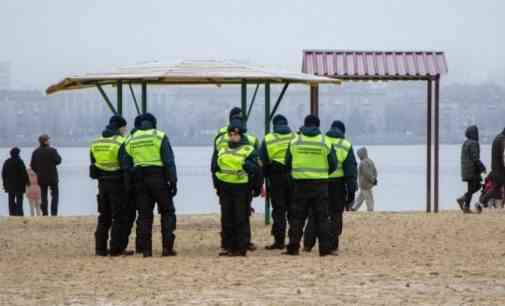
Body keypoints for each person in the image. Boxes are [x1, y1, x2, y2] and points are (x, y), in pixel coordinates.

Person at [124, 113, 178, 257]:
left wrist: (129, 185)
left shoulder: (130, 138)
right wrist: (173, 181)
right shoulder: (159, 136)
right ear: (154, 123)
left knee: (144, 216)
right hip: (158, 178)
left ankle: (146, 250)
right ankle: (167, 248)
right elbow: (168, 160)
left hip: (139, 180)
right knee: (167, 212)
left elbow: (126, 164)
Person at [283, 114, 337, 256]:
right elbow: (333, 163)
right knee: (322, 217)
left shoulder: (295, 140)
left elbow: (287, 161)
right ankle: (324, 249)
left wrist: (295, 173)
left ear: (305, 124)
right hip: (320, 184)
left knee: (297, 217)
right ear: (318, 126)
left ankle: (293, 247)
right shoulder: (325, 141)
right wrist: (324, 172)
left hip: (300, 183)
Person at [304, 121, 357, 253]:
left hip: (319, 181)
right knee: (335, 214)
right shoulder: (346, 145)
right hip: (337, 185)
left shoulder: (321, 140)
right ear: (343, 132)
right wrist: (351, 193)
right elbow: (351, 172)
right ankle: (332, 245)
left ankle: (308, 244)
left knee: (315, 213)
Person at [211, 118, 262, 256]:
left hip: (241, 187)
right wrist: (216, 186)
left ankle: (241, 247)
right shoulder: (222, 149)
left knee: (241, 217)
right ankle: (228, 247)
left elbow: (257, 169)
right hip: (225, 187)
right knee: (227, 218)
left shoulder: (249, 149)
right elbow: (215, 168)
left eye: (236, 134)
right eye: (231, 134)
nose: (233, 136)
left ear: (241, 135)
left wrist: (256, 187)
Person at [90, 115, 130, 256]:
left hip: (102, 183)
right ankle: (116, 248)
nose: (126, 130)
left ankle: (100, 249)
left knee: (104, 215)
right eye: (125, 127)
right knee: (118, 217)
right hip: (117, 183)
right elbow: (126, 165)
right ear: (120, 127)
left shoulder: (96, 142)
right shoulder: (120, 142)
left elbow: (93, 164)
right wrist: (128, 186)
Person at [259, 114, 295, 250]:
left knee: (279, 210)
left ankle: (279, 241)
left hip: (276, 177)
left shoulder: (269, 139)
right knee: (293, 210)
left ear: (274, 125)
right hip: (293, 176)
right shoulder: (294, 137)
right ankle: (293, 240)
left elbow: (261, 161)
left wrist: (261, 181)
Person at [121, 114, 144, 254]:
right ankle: (141, 246)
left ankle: (120, 246)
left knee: (127, 216)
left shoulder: (128, 140)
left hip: (128, 182)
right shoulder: (152, 138)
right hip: (144, 182)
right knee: (144, 215)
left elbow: (125, 162)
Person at [456, 126, 486, 213]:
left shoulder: (466, 143)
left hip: (466, 170)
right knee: (477, 186)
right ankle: (464, 200)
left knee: (472, 187)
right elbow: (475, 158)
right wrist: (482, 167)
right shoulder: (474, 143)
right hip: (472, 170)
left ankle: (466, 206)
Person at [30, 134, 62, 216]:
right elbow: (58, 161)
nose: (49, 141)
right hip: (52, 177)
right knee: (55, 195)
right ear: (46, 141)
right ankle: (54, 213)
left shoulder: (35, 152)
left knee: (43, 195)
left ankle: (45, 213)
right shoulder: (52, 150)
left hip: (41, 177)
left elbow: (32, 165)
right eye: (48, 140)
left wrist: (38, 171)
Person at [477, 127, 505, 209]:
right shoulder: (502, 140)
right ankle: (481, 202)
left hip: (496, 169)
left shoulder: (498, 138)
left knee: (496, 188)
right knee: (496, 188)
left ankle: (480, 203)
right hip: (500, 170)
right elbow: (503, 156)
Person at [2, 147, 29, 216]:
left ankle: (12, 213)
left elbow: (3, 174)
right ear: (18, 153)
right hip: (19, 186)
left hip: (9, 185)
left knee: (11, 200)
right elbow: (24, 173)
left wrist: (4, 184)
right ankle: (19, 214)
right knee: (19, 200)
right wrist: (27, 182)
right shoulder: (19, 161)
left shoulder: (7, 161)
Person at [352, 147, 378, 212]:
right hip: (367, 184)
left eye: (359, 155)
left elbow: (367, 173)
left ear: (361, 155)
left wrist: (373, 179)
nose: (358, 156)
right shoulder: (370, 161)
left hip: (364, 183)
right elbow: (374, 171)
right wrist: (374, 179)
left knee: (364, 197)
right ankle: (370, 209)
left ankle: (355, 208)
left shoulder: (363, 162)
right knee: (368, 197)